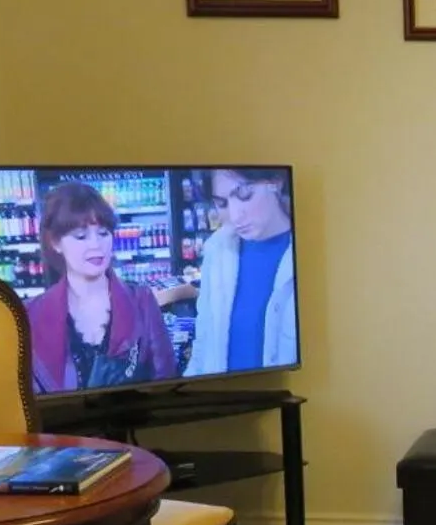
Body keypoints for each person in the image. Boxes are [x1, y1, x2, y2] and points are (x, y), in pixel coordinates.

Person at [24, 182, 177, 393]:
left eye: (104, 233)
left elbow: (166, 385)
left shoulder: (141, 301)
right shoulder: (30, 315)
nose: (96, 245)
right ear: (55, 242)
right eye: (81, 236)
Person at [185, 167, 297, 376]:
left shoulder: (308, 248)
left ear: (276, 182)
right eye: (222, 203)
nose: (235, 216)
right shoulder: (217, 250)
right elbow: (203, 344)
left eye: (244, 194)